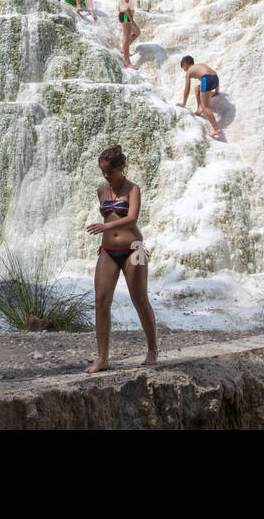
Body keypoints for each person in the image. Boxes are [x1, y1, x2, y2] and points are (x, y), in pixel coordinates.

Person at [85, 145, 158, 372]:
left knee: (140, 300)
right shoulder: (101, 190)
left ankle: (152, 349)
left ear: (122, 168)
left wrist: (105, 225)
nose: (107, 176)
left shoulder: (133, 189)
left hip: (134, 249)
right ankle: (102, 358)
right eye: (103, 171)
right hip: (108, 250)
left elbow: (132, 219)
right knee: (100, 301)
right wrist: (105, 230)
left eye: (111, 172)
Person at [178, 56, 224, 139]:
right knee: (197, 89)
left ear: (185, 65)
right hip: (216, 79)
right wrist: (216, 91)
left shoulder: (189, 72)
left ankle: (216, 129)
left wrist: (184, 103)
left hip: (207, 79)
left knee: (206, 107)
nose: (184, 69)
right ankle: (199, 109)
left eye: (183, 67)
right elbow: (213, 74)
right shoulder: (201, 65)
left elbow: (187, 89)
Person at [118, 0, 141, 68]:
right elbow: (126, 7)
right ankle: (127, 62)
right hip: (126, 16)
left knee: (137, 32)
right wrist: (131, 20)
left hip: (125, 15)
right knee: (127, 39)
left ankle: (124, 50)